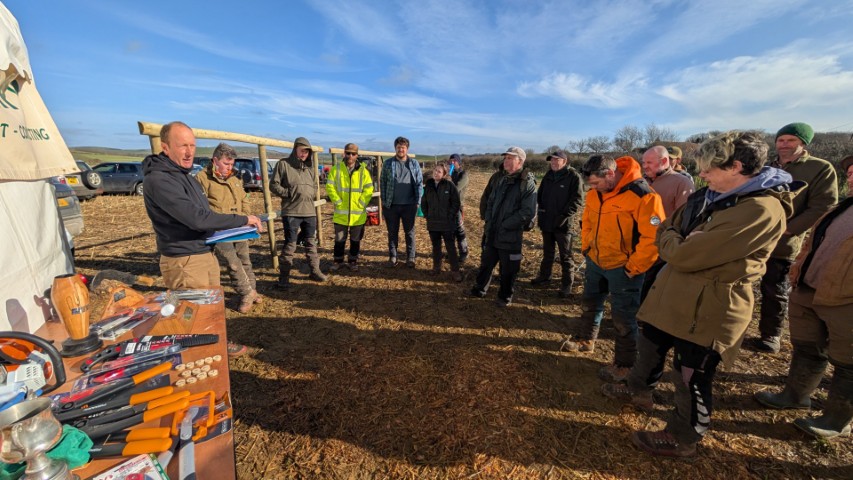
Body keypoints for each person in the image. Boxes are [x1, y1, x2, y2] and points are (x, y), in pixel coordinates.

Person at [601, 131, 798, 457]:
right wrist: (676, 239)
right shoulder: (709, 195)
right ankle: (638, 390)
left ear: (736, 167)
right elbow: (666, 227)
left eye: (709, 168)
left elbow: (682, 253)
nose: (702, 174)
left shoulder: (760, 210)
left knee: (690, 373)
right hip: (673, 291)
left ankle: (683, 436)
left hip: (708, 306)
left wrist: (675, 242)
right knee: (650, 344)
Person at [142, 121, 262, 357]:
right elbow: (197, 218)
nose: (189, 152)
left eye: (192, 145)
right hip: (184, 260)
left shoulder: (182, 175)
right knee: (191, 315)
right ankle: (198, 358)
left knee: (210, 308)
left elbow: (203, 212)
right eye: (183, 146)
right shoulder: (160, 180)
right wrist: (241, 220)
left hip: (202, 252)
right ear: (165, 147)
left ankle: (216, 342)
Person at [754, 154, 853, 439]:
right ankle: (796, 396)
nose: (851, 177)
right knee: (808, 346)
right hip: (811, 287)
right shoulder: (841, 208)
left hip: (845, 298)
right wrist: (799, 269)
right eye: (850, 172)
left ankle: (837, 420)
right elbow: (811, 242)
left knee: (848, 361)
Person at [561, 155, 664, 384]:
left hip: (624, 268)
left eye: (596, 183)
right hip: (596, 261)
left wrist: (634, 267)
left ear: (610, 174)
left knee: (623, 318)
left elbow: (653, 238)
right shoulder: (594, 194)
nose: (594, 188)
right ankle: (586, 340)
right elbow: (587, 222)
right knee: (590, 304)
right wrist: (587, 248)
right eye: (591, 185)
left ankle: (625, 365)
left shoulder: (644, 196)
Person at [754, 122, 838, 353]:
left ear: (803, 143)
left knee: (774, 289)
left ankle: (771, 334)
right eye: (781, 140)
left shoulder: (819, 168)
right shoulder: (765, 167)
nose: (784, 144)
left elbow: (823, 206)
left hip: (782, 243)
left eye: (791, 140)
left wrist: (788, 229)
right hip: (752, 240)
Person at [196, 142, 260, 314]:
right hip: (219, 231)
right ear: (215, 160)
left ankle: (253, 290)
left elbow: (244, 198)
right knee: (232, 263)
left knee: (245, 259)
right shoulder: (202, 179)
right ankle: (246, 293)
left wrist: (245, 217)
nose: (229, 167)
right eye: (226, 163)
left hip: (240, 227)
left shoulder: (235, 178)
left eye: (232, 164)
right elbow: (201, 207)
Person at [470, 147, 537, 307]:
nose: (505, 161)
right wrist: (489, 220)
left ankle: (505, 297)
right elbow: (490, 201)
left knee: (508, 269)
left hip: (510, 235)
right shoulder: (501, 178)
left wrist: (505, 225)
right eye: (505, 158)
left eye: (510, 158)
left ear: (520, 161)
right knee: (486, 263)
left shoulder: (526, 182)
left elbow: (527, 212)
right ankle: (479, 289)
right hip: (493, 231)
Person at [270, 136, 327, 287]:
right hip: (292, 211)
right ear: (295, 149)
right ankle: (284, 278)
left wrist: (310, 193)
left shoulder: (310, 169)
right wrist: (288, 193)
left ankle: (315, 271)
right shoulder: (283, 164)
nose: (304, 154)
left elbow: (315, 186)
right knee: (290, 245)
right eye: (302, 150)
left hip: (309, 212)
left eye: (306, 152)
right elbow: (273, 185)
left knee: (311, 243)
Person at [529, 150, 584, 297]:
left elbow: (577, 200)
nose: (553, 162)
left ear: (564, 161)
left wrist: (564, 216)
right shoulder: (548, 175)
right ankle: (545, 276)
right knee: (548, 252)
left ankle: (567, 285)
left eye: (556, 160)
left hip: (563, 224)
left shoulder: (573, 176)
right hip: (547, 221)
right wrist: (540, 212)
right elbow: (540, 195)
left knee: (566, 256)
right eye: (551, 160)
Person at [325, 143, 374, 272]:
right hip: (341, 213)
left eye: (353, 154)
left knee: (355, 240)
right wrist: (337, 201)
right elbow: (330, 186)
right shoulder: (336, 169)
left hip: (357, 214)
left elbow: (369, 189)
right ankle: (338, 261)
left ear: (357, 155)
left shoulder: (363, 171)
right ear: (344, 154)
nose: (350, 156)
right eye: (348, 153)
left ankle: (353, 261)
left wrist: (361, 203)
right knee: (339, 239)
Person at [379, 136, 423, 268]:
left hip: (409, 205)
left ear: (407, 149)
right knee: (392, 232)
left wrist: (418, 201)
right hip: (391, 205)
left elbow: (419, 183)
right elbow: (383, 183)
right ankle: (393, 256)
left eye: (403, 147)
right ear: (395, 148)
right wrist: (384, 202)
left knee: (409, 232)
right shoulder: (388, 163)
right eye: (398, 147)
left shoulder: (414, 164)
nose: (401, 150)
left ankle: (411, 257)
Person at [421, 161, 462, 282]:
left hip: (447, 223)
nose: (436, 173)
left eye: (439, 171)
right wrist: (427, 215)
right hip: (433, 222)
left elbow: (456, 202)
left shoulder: (449, 185)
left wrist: (450, 216)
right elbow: (424, 202)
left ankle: (455, 271)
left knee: (450, 247)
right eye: (435, 170)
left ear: (444, 174)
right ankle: (436, 267)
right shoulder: (428, 186)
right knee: (436, 247)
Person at [642, 146, 694, 218]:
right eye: (643, 163)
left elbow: (684, 217)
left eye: (649, 162)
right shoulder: (640, 181)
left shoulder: (682, 183)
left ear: (664, 161)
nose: (645, 166)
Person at [448, 154, 470, 263]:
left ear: (459, 162)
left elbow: (456, 188)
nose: (452, 163)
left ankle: (464, 252)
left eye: (454, 161)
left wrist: (447, 180)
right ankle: (452, 252)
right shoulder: (450, 173)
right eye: (451, 161)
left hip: (457, 206)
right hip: (448, 205)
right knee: (450, 230)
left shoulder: (463, 174)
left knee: (459, 230)